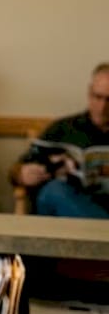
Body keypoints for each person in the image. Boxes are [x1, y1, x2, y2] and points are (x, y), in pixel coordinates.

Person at [13, 63, 109, 218]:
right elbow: (17, 168)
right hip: (70, 204)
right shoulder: (63, 129)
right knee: (54, 190)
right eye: (98, 97)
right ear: (89, 93)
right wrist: (21, 174)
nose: (102, 106)